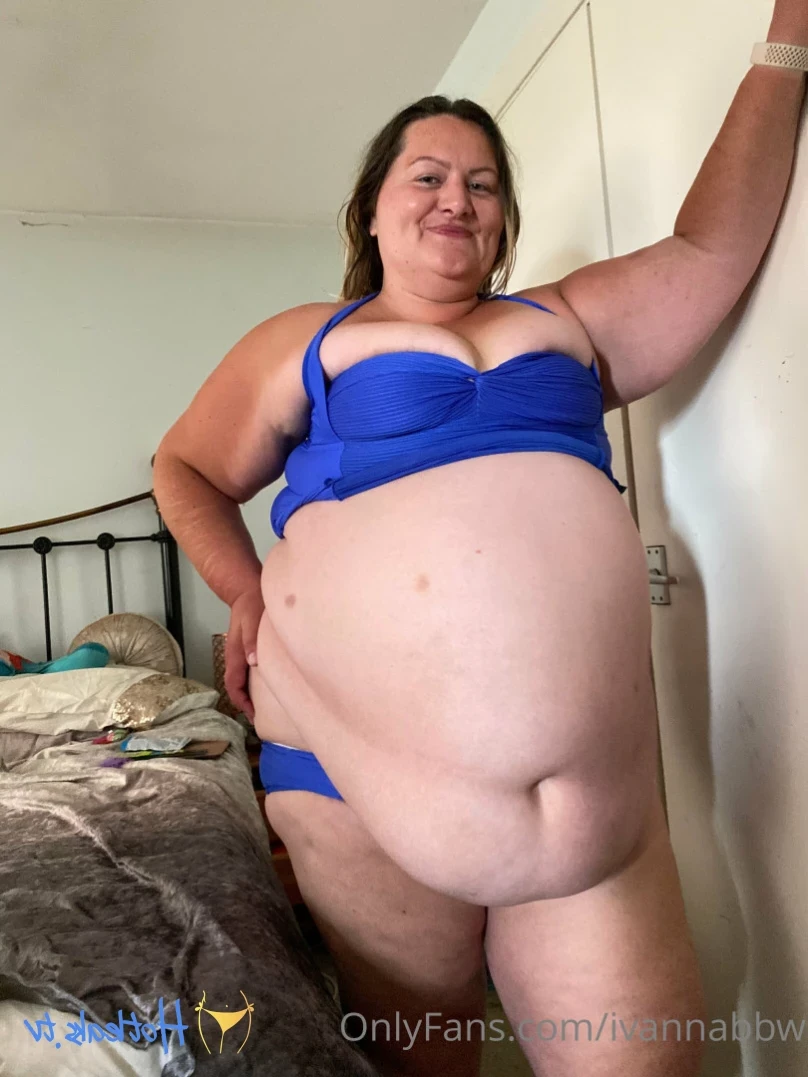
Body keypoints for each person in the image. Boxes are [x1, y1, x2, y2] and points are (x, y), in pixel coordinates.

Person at [153, 10, 807, 1071]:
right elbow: (184, 469)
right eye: (426, 176)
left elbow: (714, 247)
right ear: (372, 210)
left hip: (594, 811)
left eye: (483, 184)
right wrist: (247, 591)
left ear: (502, 224)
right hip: (352, 785)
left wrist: (787, 38)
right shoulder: (309, 338)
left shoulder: (567, 317)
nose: (456, 198)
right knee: (427, 1060)